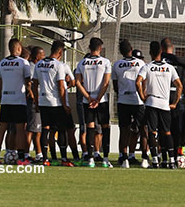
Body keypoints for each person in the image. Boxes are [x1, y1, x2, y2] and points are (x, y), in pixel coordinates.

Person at [136, 40, 183, 169]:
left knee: (152, 132)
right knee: (167, 132)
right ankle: (171, 161)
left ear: (150, 52)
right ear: (161, 52)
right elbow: (179, 86)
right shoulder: (169, 67)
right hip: (164, 104)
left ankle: (155, 161)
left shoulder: (147, 67)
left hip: (151, 102)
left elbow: (138, 82)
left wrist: (142, 96)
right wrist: (175, 103)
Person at [75, 37, 113, 168]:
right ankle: (105, 159)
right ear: (100, 48)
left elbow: (78, 83)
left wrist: (89, 97)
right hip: (101, 100)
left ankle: (90, 159)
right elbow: (106, 83)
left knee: (90, 127)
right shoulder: (105, 62)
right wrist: (98, 98)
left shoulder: (82, 63)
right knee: (105, 127)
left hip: (88, 100)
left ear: (89, 48)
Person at [0, 38, 32, 165]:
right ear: (19, 49)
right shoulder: (23, 62)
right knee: (20, 129)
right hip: (18, 100)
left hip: (5, 100)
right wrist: (30, 92)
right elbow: (28, 81)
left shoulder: (2, 63)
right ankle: (21, 159)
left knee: (2, 129)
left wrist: (0, 96)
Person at [33, 40, 71, 166]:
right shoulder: (58, 65)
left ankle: (45, 159)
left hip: (43, 101)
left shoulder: (39, 64)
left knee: (45, 129)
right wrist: (65, 105)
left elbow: (34, 85)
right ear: (60, 52)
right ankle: (64, 159)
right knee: (61, 130)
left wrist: (36, 101)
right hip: (56, 103)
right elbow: (61, 87)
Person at [112, 39, 147, 168]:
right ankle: (144, 158)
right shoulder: (141, 63)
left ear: (120, 51)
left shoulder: (116, 65)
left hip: (123, 101)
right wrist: (143, 95)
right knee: (142, 129)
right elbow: (144, 82)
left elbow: (115, 85)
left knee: (124, 130)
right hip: (138, 100)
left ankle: (124, 158)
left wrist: (122, 93)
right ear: (131, 49)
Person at [160, 38, 185, 156]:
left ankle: (162, 153)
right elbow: (183, 82)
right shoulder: (179, 61)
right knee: (176, 127)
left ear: (161, 48)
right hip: (176, 96)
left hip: (162, 96)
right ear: (173, 48)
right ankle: (175, 154)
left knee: (162, 127)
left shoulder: (159, 61)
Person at [26, 46, 45, 163]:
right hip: (34, 101)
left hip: (35, 100)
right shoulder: (32, 67)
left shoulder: (32, 66)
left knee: (34, 129)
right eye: (42, 55)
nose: (44, 57)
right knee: (33, 130)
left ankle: (34, 153)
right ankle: (33, 154)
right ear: (37, 56)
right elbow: (29, 83)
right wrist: (33, 96)